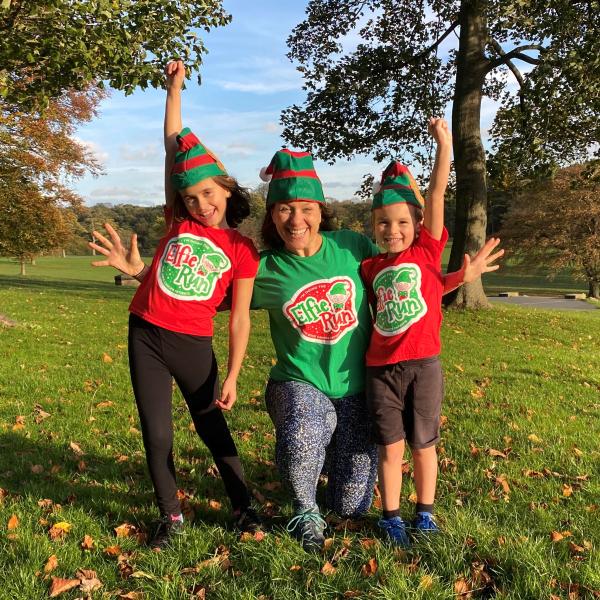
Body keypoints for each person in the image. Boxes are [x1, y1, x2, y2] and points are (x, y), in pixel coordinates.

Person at [251, 147, 502, 551]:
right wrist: (144, 273)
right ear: (271, 215)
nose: (296, 220)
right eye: (283, 209)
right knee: (304, 430)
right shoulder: (262, 268)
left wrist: (458, 276)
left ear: (320, 209)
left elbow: (412, 272)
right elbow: (205, 295)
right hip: (301, 383)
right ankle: (304, 509)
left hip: (358, 384)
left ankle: (345, 470)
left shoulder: (353, 248)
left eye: (305, 208)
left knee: (351, 506)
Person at [89, 60, 261, 548]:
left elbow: (241, 318)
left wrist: (231, 374)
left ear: (225, 188)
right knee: (157, 434)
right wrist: (173, 91)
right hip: (145, 334)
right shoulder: (177, 224)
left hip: (193, 344)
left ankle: (244, 507)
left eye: (207, 193)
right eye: (189, 198)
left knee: (213, 430)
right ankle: (172, 517)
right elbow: (172, 148)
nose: (200, 204)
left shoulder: (241, 250)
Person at [360, 118, 502, 546]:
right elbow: (428, 290)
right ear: (373, 226)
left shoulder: (425, 248)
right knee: (390, 447)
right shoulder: (368, 268)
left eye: (402, 222)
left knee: (423, 445)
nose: (393, 230)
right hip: (380, 369)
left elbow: (438, 193)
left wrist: (443, 146)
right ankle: (391, 517)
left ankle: (424, 513)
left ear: (417, 222)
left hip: (424, 366)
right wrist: (457, 278)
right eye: (383, 223)